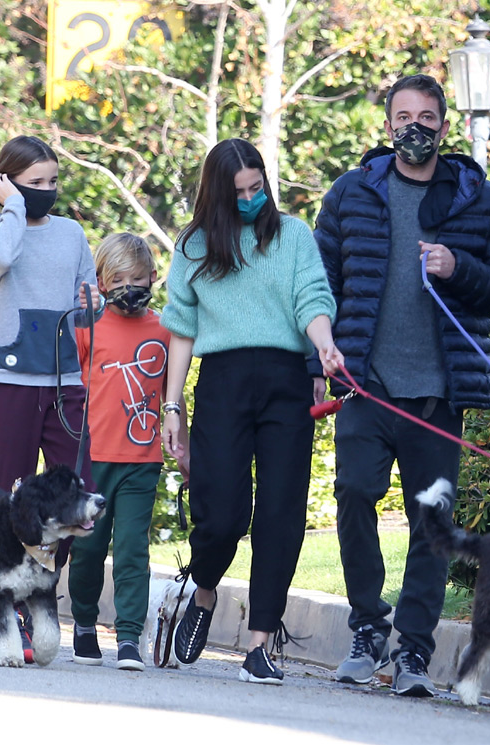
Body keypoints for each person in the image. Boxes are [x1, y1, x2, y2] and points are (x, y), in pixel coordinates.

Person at [311, 74, 490, 696]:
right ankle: (366, 627)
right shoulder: (351, 193)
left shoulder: (479, 200)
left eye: (427, 116)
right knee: (353, 492)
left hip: (438, 394)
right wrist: (315, 365)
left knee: (431, 521)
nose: (415, 126)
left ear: (443, 125)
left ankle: (413, 650)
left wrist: (457, 266)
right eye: (402, 115)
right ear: (386, 126)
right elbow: (319, 287)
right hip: (363, 386)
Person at [160, 138, 343, 684]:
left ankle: (261, 641)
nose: (249, 198)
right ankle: (207, 589)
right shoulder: (194, 246)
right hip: (222, 383)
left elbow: (312, 298)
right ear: (217, 194)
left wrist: (325, 344)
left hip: (285, 381)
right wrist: (173, 406)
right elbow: (181, 330)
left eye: (256, 187)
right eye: (238, 191)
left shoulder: (292, 237)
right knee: (220, 513)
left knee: (281, 514)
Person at [0, 134, 104, 663]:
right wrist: (15, 209)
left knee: (77, 494)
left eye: (53, 182)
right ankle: (8, 607)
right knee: (7, 494)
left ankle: (33, 587)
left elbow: (87, 299)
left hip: (66, 380)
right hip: (7, 380)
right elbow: (0, 260)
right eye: (35, 183)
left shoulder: (71, 233)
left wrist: (93, 307)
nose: (47, 191)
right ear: (6, 184)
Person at [68, 232, 189, 671]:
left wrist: (183, 448)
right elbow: (71, 391)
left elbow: (174, 395)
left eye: (136, 278)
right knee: (88, 548)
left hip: (142, 462)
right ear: (100, 281)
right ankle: (83, 624)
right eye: (116, 280)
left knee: (133, 550)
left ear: (154, 277)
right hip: (92, 461)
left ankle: (129, 638)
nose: (127, 288)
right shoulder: (86, 327)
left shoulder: (166, 328)